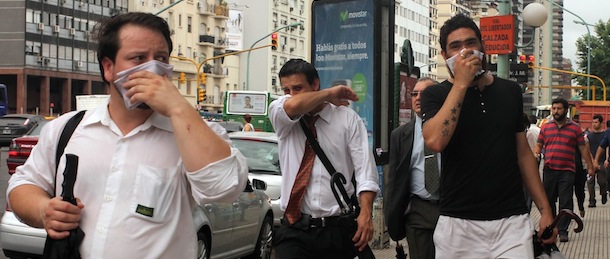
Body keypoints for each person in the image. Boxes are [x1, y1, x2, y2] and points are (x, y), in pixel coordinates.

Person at [6, 12, 248, 258]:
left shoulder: (193, 132)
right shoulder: (67, 129)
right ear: (108, 68)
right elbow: (23, 185)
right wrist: (44, 210)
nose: (152, 69)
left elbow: (224, 189)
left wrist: (178, 108)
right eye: (138, 58)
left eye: (161, 58)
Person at [420, 14, 557, 258]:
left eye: (471, 43)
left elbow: (523, 154)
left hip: (511, 221)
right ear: (444, 55)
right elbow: (435, 141)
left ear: (482, 46)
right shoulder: (436, 95)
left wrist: (545, 210)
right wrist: (461, 84)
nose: (465, 51)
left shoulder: (510, 91)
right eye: (455, 46)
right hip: (458, 224)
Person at [269, 59, 379, 258]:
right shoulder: (281, 114)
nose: (291, 95)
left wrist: (366, 213)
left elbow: (365, 171)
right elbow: (293, 106)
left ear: (315, 84)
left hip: (336, 229)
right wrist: (329, 94)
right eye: (286, 90)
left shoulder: (347, 119)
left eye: (298, 88)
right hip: (294, 230)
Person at [386, 77, 440, 259]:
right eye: (414, 94)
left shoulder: (450, 129)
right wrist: (393, 219)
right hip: (417, 210)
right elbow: (394, 179)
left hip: (449, 208)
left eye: (424, 94)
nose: (418, 98)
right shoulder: (400, 135)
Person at [535, 98, 595, 243]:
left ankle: (563, 231)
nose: (556, 111)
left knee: (565, 200)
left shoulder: (575, 128)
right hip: (549, 169)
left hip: (567, 170)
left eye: (559, 109)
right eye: (554, 108)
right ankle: (551, 227)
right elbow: (538, 145)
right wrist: (534, 155)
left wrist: (590, 166)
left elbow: (582, 149)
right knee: (549, 201)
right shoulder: (546, 127)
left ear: (566, 110)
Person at [572, 115, 587, 217]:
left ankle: (581, 207)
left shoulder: (584, 138)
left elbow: (586, 152)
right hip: (569, 167)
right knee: (567, 193)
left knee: (580, 191)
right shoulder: (568, 137)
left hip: (580, 168)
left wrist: (589, 166)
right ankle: (569, 213)